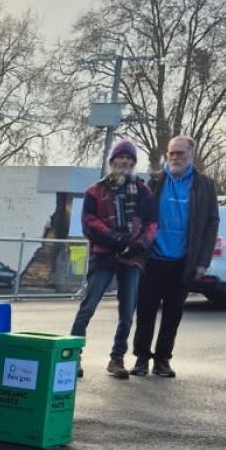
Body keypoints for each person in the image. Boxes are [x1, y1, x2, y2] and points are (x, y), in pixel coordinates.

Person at [131, 136, 219, 378]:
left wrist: (203, 261)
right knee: (145, 311)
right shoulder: (155, 181)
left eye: (180, 153)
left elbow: (212, 223)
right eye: (171, 152)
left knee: (172, 314)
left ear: (191, 154)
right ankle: (141, 358)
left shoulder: (205, 185)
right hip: (152, 259)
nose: (175, 157)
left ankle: (162, 360)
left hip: (183, 262)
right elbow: (139, 215)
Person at [70, 139, 158, 379]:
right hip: (103, 256)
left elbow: (152, 224)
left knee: (127, 313)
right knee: (88, 307)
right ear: (112, 160)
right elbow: (89, 222)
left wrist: (138, 245)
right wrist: (115, 239)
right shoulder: (95, 190)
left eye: (129, 158)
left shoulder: (143, 191)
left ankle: (117, 358)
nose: (125, 161)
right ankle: (72, 357)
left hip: (132, 259)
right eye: (121, 156)